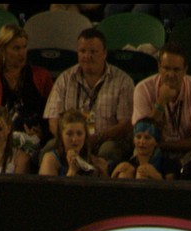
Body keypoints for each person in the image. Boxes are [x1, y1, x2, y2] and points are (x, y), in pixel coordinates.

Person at [43, 26, 133, 162]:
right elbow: (53, 120)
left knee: (108, 150)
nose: (87, 56)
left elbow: (126, 125)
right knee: (49, 149)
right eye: (82, 51)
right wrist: (67, 139)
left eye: (93, 52)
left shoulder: (123, 81)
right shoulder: (65, 79)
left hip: (106, 141)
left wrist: (98, 137)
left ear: (104, 53)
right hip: (70, 141)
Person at [0, 21, 53, 158]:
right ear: (2, 50)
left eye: (24, 47)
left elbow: (54, 114)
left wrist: (43, 132)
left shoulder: (42, 77)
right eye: (16, 48)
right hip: (1, 144)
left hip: (37, 143)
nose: (22, 53)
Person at [132, 43, 191, 169]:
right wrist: (161, 102)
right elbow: (141, 133)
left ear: (185, 70)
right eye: (166, 68)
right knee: (140, 151)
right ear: (159, 67)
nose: (170, 74)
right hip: (152, 150)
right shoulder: (143, 89)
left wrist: (163, 145)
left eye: (176, 70)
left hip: (186, 152)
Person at [39, 106, 109, 175]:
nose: (75, 139)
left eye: (79, 134)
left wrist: (104, 173)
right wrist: (72, 171)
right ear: (61, 135)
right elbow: (47, 183)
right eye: (69, 134)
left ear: (85, 135)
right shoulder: (50, 159)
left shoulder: (93, 161)